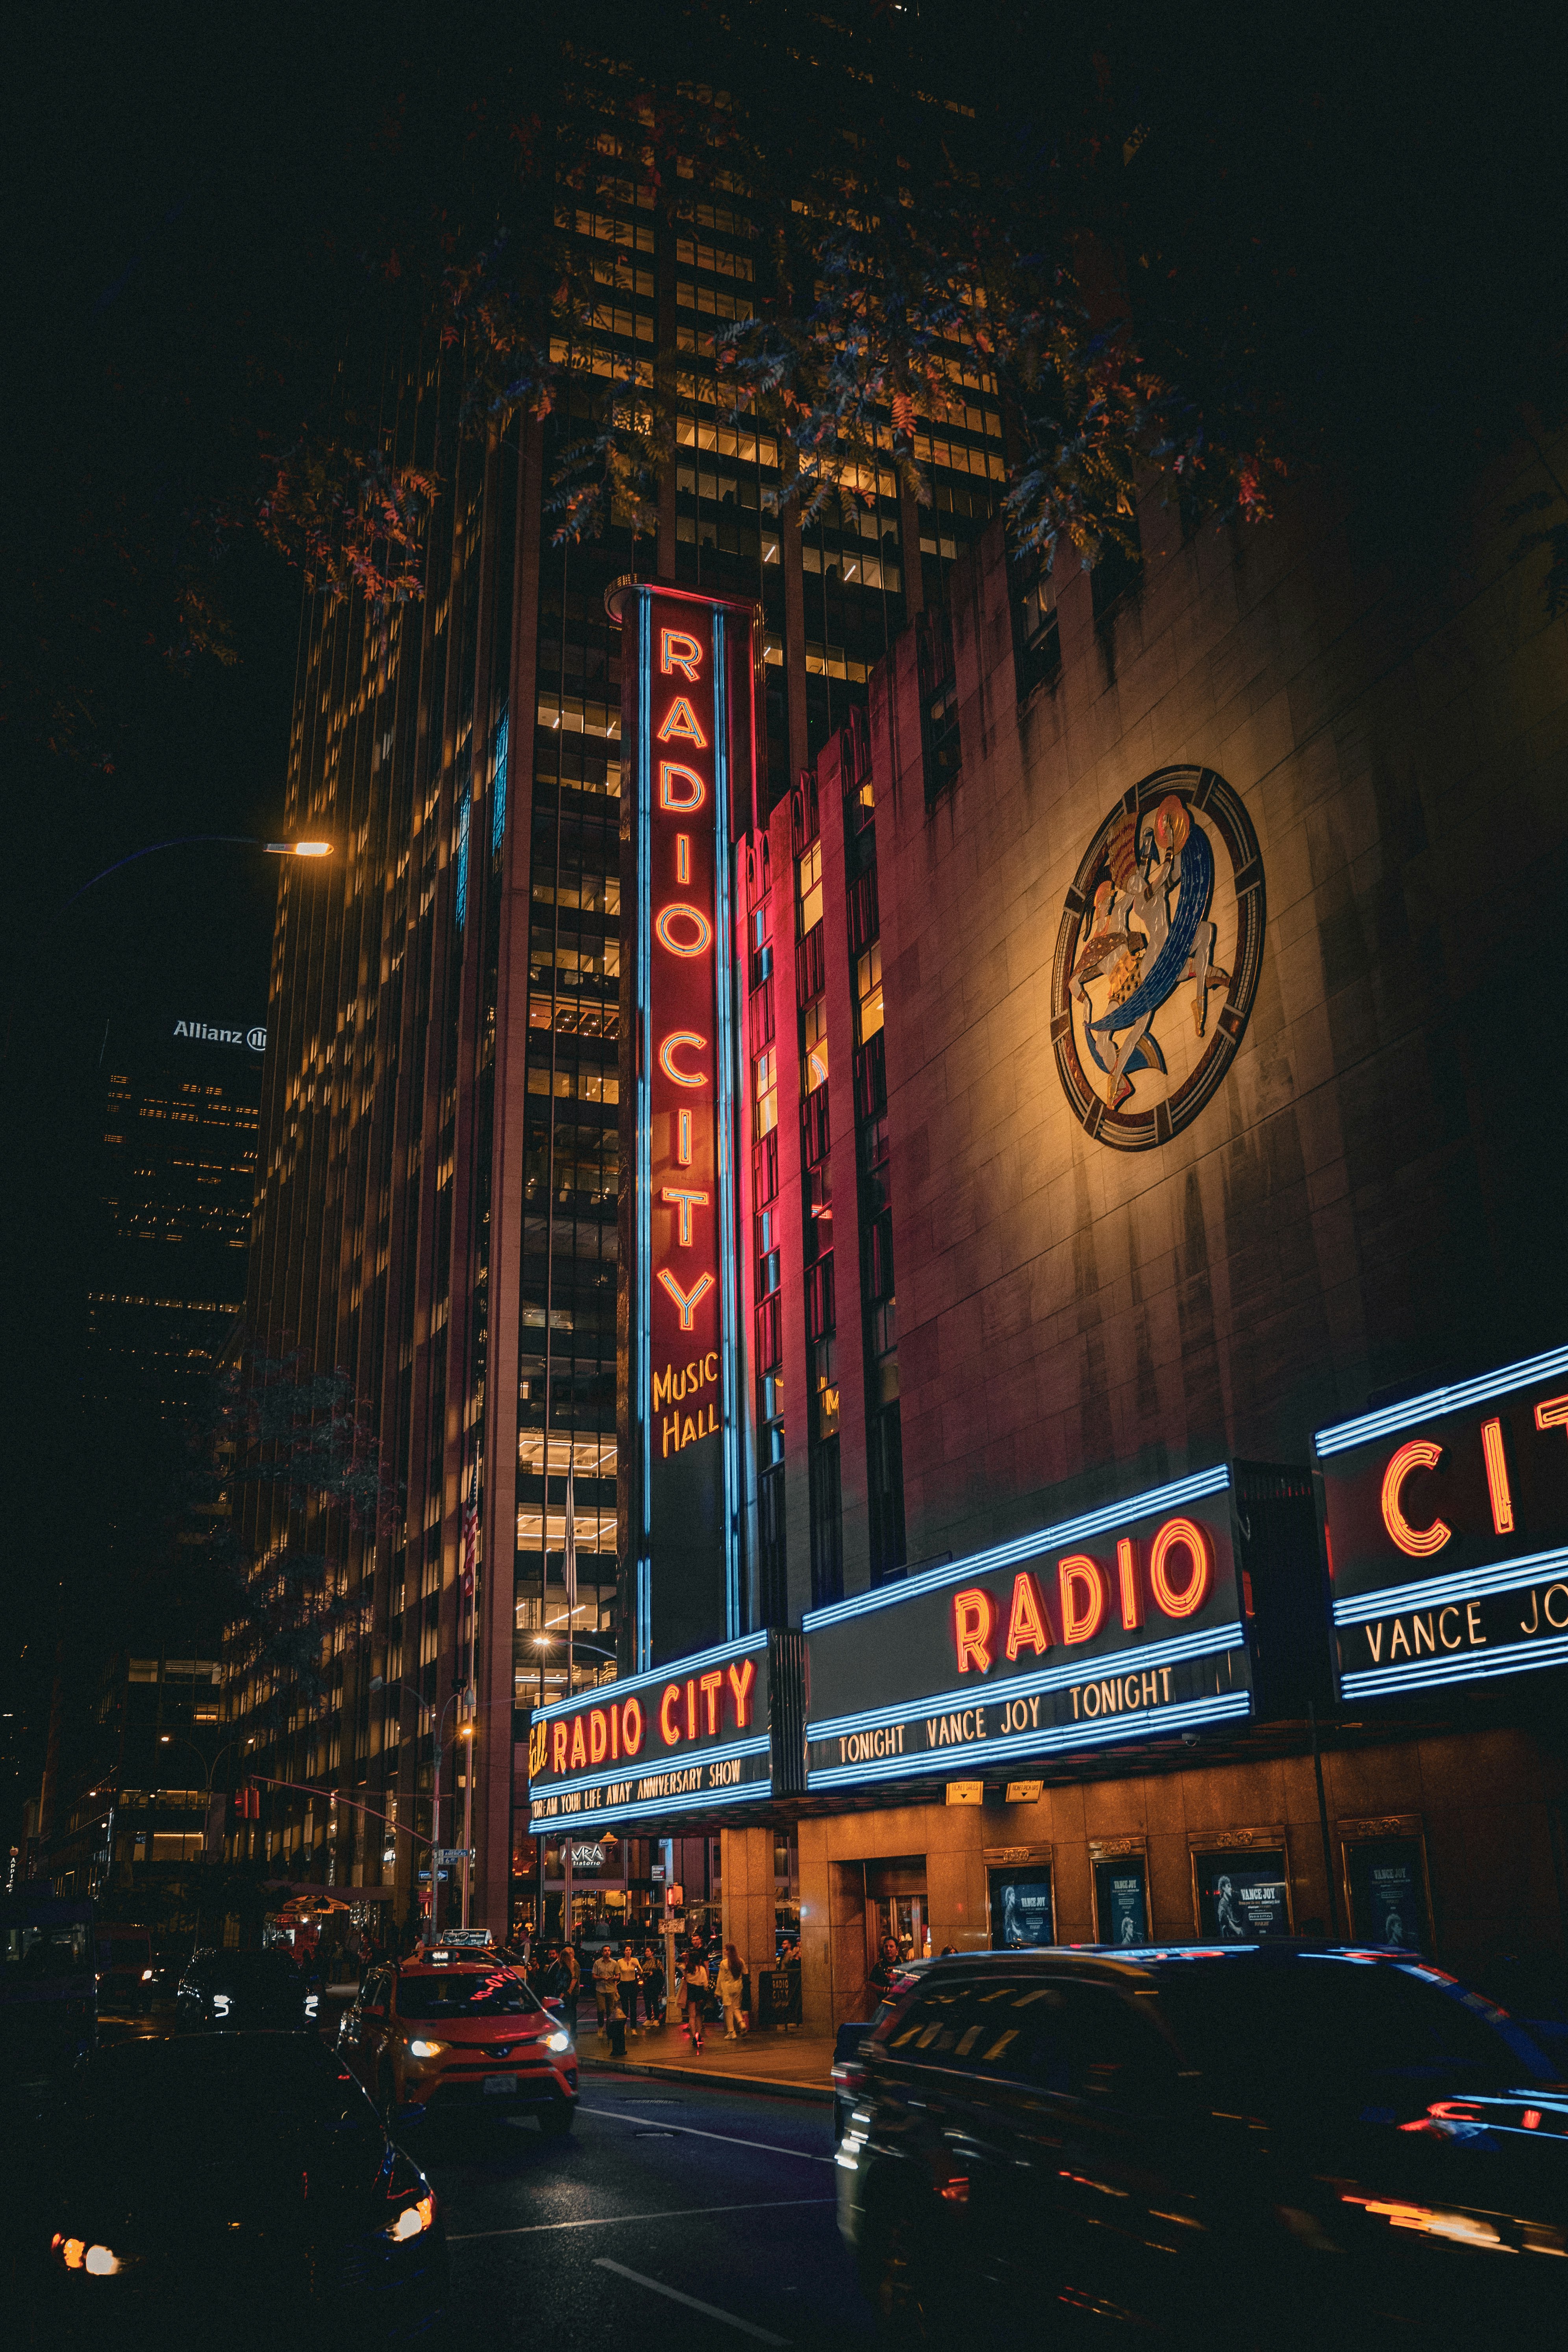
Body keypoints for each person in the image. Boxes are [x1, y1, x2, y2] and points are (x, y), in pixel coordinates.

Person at [681, 1943, 710, 2052]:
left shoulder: (688, 1969)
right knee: (699, 2015)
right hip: (700, 1992)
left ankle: (694, 2037)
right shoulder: (701, 1969)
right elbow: (705, 1983)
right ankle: (699, 2036)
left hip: (691, 1992)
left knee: (692, 2016)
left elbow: (677, 1964)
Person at [716, 1943, 746, 2039]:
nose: (724, 1951)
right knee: (736, 2007)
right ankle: (741, 2023)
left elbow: (721, 1979)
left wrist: (717, 1992)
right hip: (738, 1987)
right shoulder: (740, 1961)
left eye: (726, 1949)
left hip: (727, 1989)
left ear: (729, 1951)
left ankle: (732, 2032)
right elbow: (745, 1973)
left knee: (728, 2010)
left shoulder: (724, 1963)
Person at [617, 1943, 643, 2035]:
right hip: (624, 1984)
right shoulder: (620, 1962)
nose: (628, 1952)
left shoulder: (635, 1960)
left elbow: (641, 1971)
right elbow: (617, 1973)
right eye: (627, 1950)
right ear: (624, 1952)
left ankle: (633, 2028)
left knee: (633, 2007)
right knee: (624, 2007)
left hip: (632, 1984)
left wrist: (637, 1966)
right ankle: (624, 2026)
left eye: (630, 1950)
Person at [592, 1943, 618, 2035]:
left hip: (611, 1989)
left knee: (610, 2011)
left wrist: (613, 1978)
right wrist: (602, 1978)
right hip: (600, 1989)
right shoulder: (598, 1963)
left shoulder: (614, 1963)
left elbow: (618, 1976)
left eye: (609, 1951)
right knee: (601, 2009)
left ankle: (609, 2029)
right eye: (605, 1951)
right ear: (602, 1952)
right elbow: (594, 1976)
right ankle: (600, 2027)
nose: (607, 1952)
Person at [868, 1936, 900, 2002]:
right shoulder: (879, 1966)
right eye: (886, 1947)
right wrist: (886, 1989)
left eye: (891, 1947)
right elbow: (870, 1985)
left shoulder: (903, 1963)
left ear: (897, 1950)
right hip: (884, 2003)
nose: (888, 1949)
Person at [642, 1945, 667, 2031]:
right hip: (646, 1984)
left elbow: (661, 1973)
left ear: (652, 1952)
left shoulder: (657, 1962)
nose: (647, 1953)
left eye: (648, 1951)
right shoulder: (643, 1961)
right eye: (646, 1952)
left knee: (655, 2002)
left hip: (654, 1984)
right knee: (647, 2002)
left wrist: (653, 1973)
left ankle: (656, 2019)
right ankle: (649, 2018)